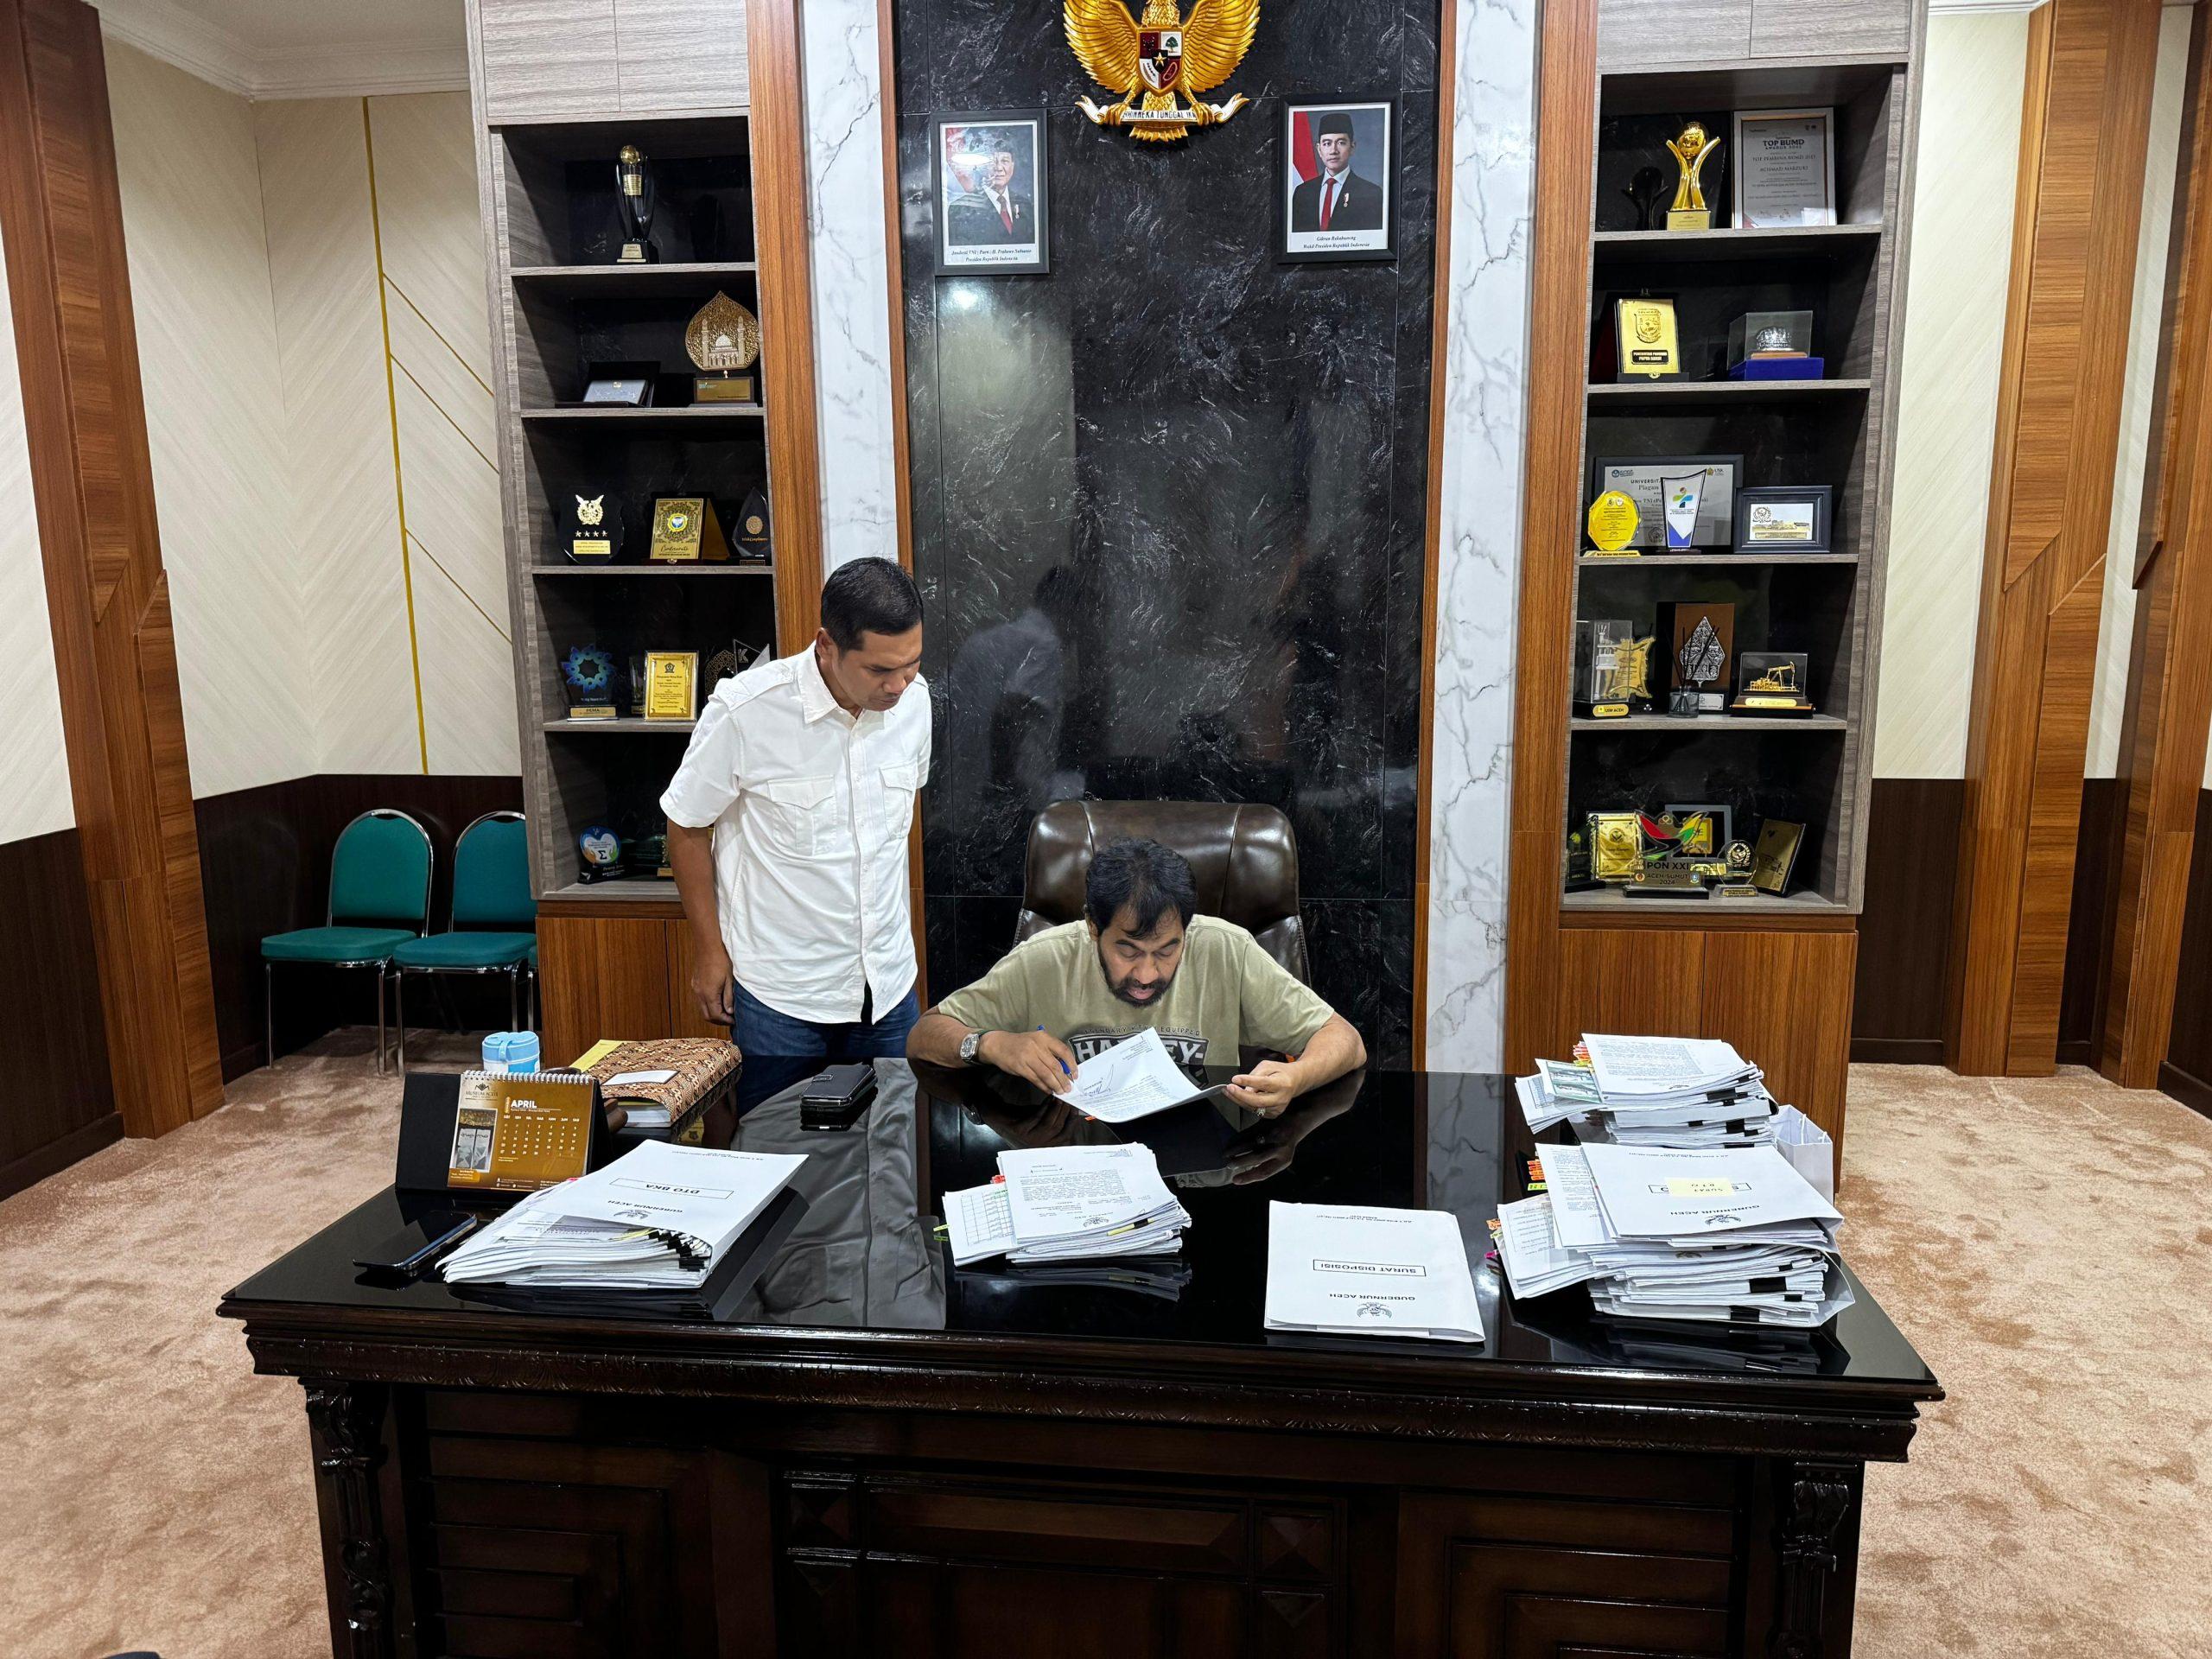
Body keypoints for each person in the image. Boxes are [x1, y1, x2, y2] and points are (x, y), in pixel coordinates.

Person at [662, 557, 928, 1059]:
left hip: (888, 988)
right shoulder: (746, 711)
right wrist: (710, 950)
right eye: (879, 670)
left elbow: (891, 838)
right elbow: (686, 824)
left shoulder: (915, 704)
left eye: (911, 663)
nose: (898, 684)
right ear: (826, 645)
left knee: (896, 1114)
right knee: (778, 1116)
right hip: (782, 997)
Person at [906, 837, 1366, 1116]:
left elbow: (1345, 1040)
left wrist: (1297, 1077)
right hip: (1078, 1167)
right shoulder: (1045, 958)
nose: (1147, 974)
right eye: (1128, 950)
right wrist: (989, 1044)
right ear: (1093, 927)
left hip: (1198, 1169)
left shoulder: (1226, 949)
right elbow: (924, 1036)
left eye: (1167, 950)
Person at [1290, 112, 1383, 233]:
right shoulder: (1302, 192)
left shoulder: (1370, 193)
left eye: (1341, 143)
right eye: (1327, 143)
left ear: (1352, 147)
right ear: (1319, 149)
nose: (1333, 151)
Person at [949, 137, 1034, 246]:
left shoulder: (1025, 205)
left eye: (1005, 161)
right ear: (981, 167)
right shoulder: (961, 208)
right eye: (992, 161)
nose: (999, 168)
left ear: (1012, 165)